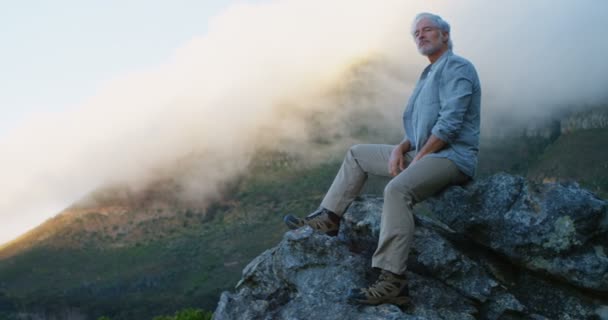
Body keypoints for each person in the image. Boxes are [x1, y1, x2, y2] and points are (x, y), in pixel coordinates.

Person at [284, 12, 481, 308]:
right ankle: (329, 218)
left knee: (397, 189)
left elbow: (449, 125)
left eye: (428, 30)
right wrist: (400, 148)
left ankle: (392, 280)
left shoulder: (459, 68)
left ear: (444, 35)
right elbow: (418, 130)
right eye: (416, 33)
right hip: (424, 152)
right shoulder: (428, 74)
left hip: (452, 157)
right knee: (356, 154)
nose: (421, 36)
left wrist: (418, 160)